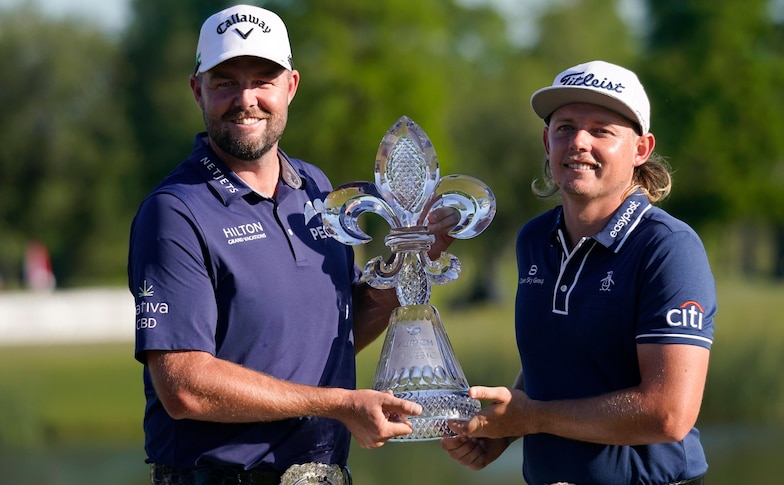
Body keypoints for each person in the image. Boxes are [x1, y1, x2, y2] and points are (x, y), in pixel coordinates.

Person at [127, 5, 459, 485]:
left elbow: (336, 336)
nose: (246, 99)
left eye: (263, 80)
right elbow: (184, 386)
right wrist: (341, 404)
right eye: (225, 83)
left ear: (291, 87)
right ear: (197, 90)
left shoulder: (318, 192)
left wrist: (412, 258)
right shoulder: (175, 211)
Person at [441, 60, 716, 485]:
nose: (578, 142)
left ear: (641, 149)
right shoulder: (534, 238)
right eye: (565, 127)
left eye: (601, 130)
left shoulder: (668, 248)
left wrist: (530, 418)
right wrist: (505, 430)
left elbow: (668, 414)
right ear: (546, 141)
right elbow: (554, 358)